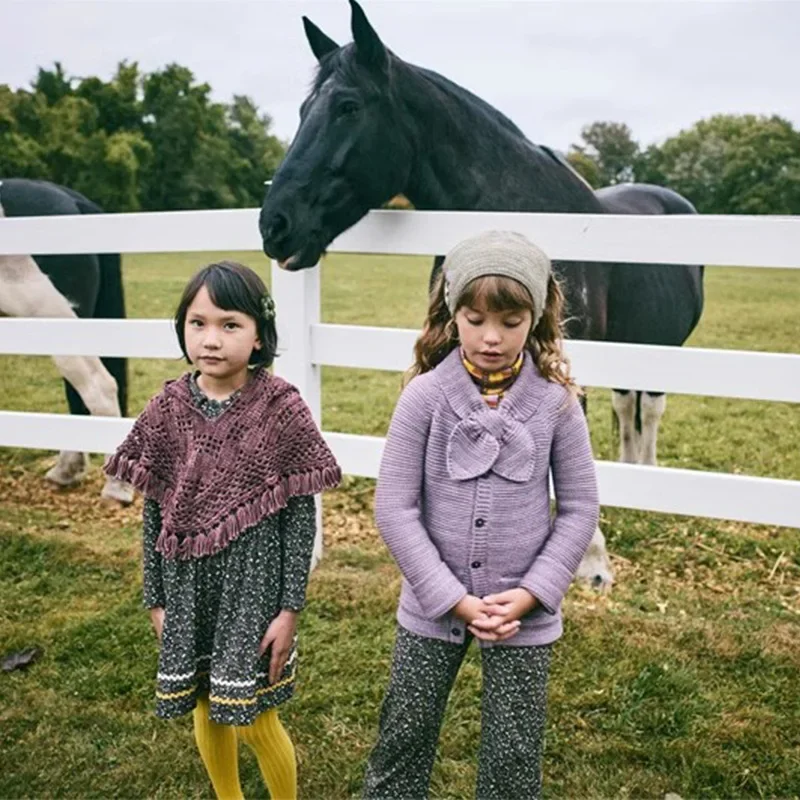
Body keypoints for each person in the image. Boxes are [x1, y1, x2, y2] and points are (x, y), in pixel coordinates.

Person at [362, 231, 600, 799]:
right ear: (452, 316)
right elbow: (394, 507)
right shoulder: (423, 397)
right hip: (432, 606)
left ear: (536, 319)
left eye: (511, 321)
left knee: (513, 755)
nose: (491, 337)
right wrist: (454, 600)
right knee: (404, 736)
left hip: (524, 614)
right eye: (475, 319)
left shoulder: (558, 404)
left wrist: (531, 594)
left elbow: (580, 507)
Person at [105, 260, 341, 800]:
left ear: (260, 336)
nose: (211, 339)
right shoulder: (166, 409)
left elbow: (300, 516)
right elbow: (154, 508)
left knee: (254, 718)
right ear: (183, 328)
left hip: (253, 592)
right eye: (198, 323)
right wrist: (156, 598)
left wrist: (290, 607)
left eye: (230, 324)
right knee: (207, 710)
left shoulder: (281, 409)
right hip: (187, 589)